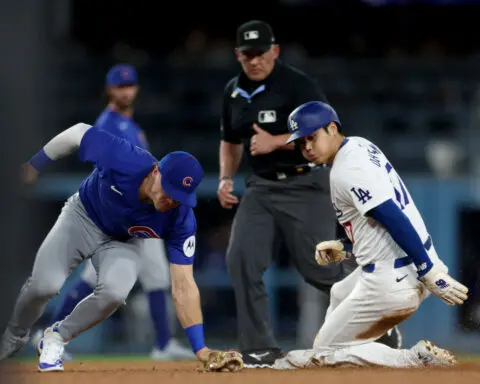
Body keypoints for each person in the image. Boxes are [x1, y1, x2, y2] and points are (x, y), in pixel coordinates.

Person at [218, 19, 399, 367]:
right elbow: (229, 141)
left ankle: (378, 325)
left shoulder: (297, 85)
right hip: (261, 187)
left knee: (319, 270)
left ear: (275, 51)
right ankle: (259, 348)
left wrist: (278, 141)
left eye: (260, 53)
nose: (254, 60)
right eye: (247, 54)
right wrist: (226, 178)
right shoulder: (232, 92)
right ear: (237, 55)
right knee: (240, 258)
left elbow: (328, 128)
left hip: (305, 183)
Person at [0, 123, 243, 373]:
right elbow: (77, 132)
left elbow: (184, 284)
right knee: (44, 285)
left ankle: (56, 337)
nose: (171, 200)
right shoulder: (124, 158)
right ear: (156, 171)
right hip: (83, 216)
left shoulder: (180, 217)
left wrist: (201, 349)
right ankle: (14, 335)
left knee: (115, 293)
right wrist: (34, 164)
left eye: (180, 196)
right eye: (170, 190)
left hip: (123, 240)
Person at [273, 101, 469, 369]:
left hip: (395, 278)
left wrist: (429, 271)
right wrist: (346, 248)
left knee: (324, 351)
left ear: (332, 129)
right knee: (341, 292)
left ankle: (413, 359)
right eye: (301, 141)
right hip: (405, 262)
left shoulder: (347, 170)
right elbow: (379, 222)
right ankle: (380, 347)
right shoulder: (359, 145)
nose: (307, 147)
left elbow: (391, 215)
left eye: (312, 137)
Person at [29, 64, 193, 361]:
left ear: (137, 89)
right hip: (118, 215)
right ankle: (46, 332)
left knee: (154, 277)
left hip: (141, 214)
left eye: (129, 86)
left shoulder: (131, 126)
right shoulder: (108, 122)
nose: (125, 91)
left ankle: (164, 344)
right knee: (95, 279)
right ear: (109, 90)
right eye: (119, 86)